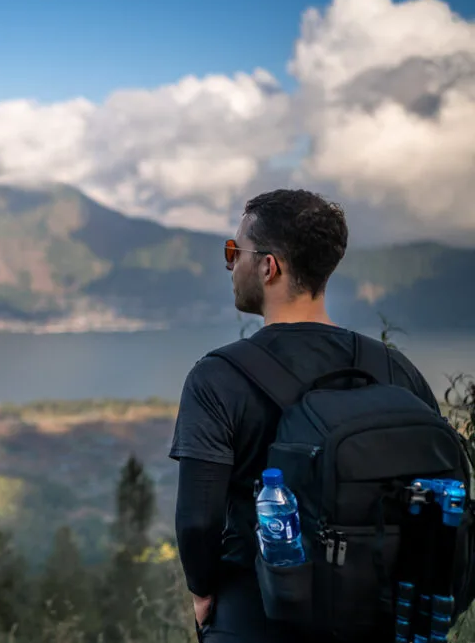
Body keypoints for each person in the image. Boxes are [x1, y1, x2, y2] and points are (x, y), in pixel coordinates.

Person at [168, 189, 441, 643]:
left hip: (258, 613)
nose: (230, 264)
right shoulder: (394, 369)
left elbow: (198, 520)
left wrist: (202, 593)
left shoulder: (218, 377)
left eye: (234, 251)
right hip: (379, 616)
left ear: (268, 267)